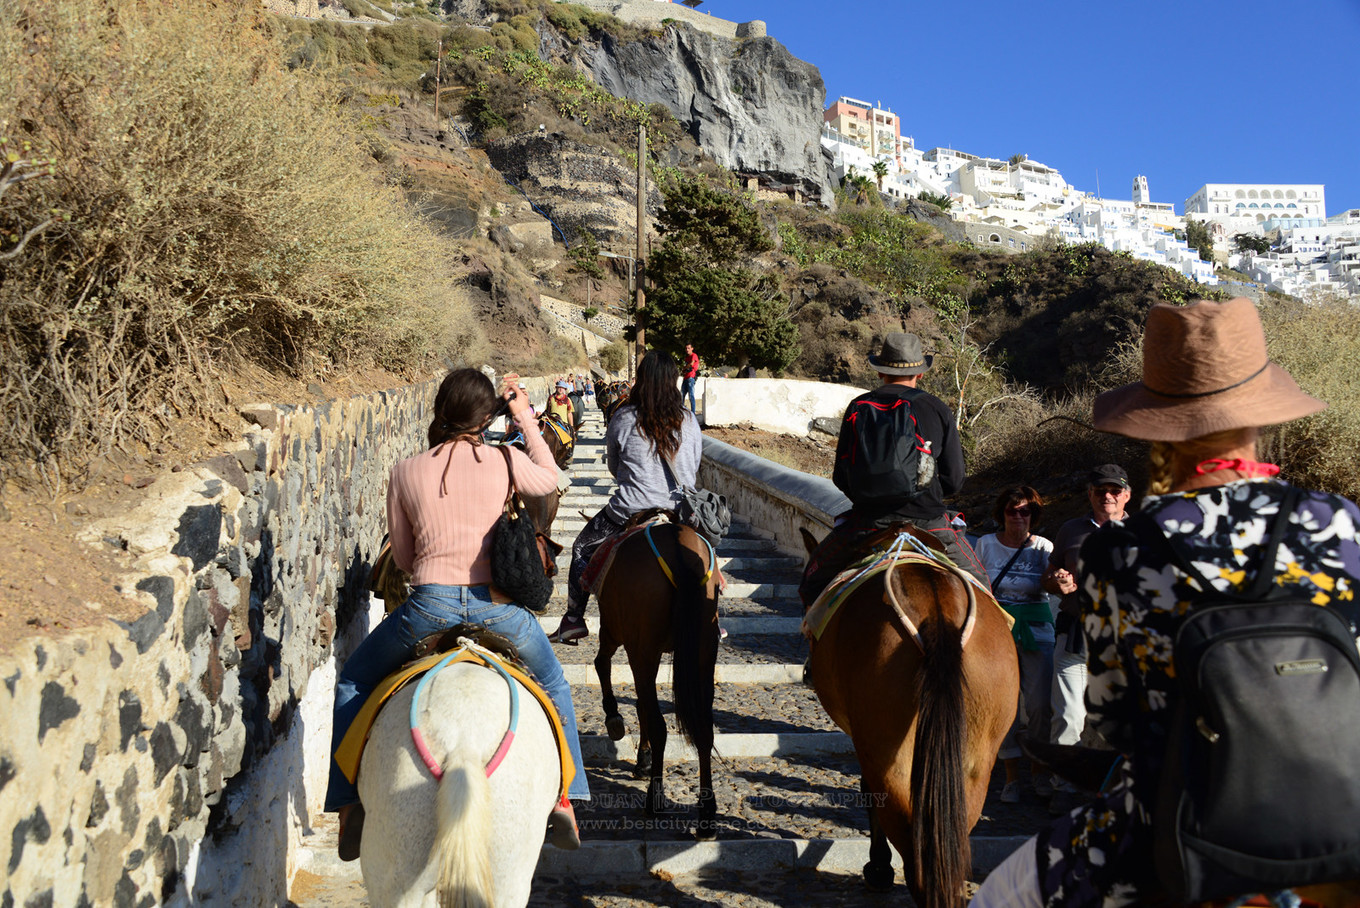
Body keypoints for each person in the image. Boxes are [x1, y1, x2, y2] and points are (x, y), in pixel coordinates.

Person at [971, 298, 1360, 907]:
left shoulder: (1124, 551)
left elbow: (1114, 717)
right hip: (1340, 798)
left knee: (1001, 897)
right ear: (1262, 413)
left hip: (1175, 817)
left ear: (1157, 425)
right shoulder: (1341, 524)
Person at [325, 369, 590, 859]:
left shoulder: (405, 470)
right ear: (487, 416)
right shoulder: (506, 458)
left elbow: (403, 559)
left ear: (440, 409)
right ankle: (565, 799)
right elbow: (551, 478)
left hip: (427, 607)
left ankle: (345, 805)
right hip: (499, 612)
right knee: (553, 685)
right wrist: (524, 414)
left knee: (354, 682)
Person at [800, 332, 988, 609]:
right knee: (983, 587)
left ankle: (813, 648)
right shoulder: (936, 408)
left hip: (868, 524)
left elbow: (841, 476)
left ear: (880, 373)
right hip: (930, 523)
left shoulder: (858, 407)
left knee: (812, 583)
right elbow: (954, 480)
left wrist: (869, 495)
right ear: (920, 374)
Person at [548, 351, 702, 644]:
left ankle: (573, 619)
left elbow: (614, 467)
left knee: (581, 547)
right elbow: (693, 468)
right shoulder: (690, 420)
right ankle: (709, 617)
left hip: (629, 510)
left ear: (642, 380)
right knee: (705, 560)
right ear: (673, 381)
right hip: (679, 512)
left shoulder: (624, 416)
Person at [1039, 463, 1130, 815]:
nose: (1107, 496)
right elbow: (1048, 577)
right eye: (1099, 490)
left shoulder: (1143, 531)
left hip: (1124, 641)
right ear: (1089, 494)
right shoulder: (1070, 530)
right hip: (1076, 633)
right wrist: (1056, 583)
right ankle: (1063, 785)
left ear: (1126, 494)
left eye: (1114, 490)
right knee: (1068, 716)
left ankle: (1114, 787)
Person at [973, 486, 1056, 804]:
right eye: (1013, 510)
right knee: (1003, 706)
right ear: (1001, 513)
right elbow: (975, 584)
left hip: (1037, 631)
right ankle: (1010, 778)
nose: (1019, 516)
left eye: (1026, 511)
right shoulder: (986, 545)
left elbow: (1052, 583)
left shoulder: (1044, 547)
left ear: (1033, 515)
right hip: (997, 633)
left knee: (1038, 707)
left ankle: (1039, 772)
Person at [681, 343, 700, 414]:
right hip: (685, 378)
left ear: (692, 348)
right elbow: (685, 369)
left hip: (691, 378)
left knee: (691, 395)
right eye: (686, 348)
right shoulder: (686, 358)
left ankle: (693, 412)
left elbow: (691, 364)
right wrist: (685, 369)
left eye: (689, 348)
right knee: (681, 395)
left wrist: (685, 368)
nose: (687, 350)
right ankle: (681, 411)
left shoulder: (694, 355)